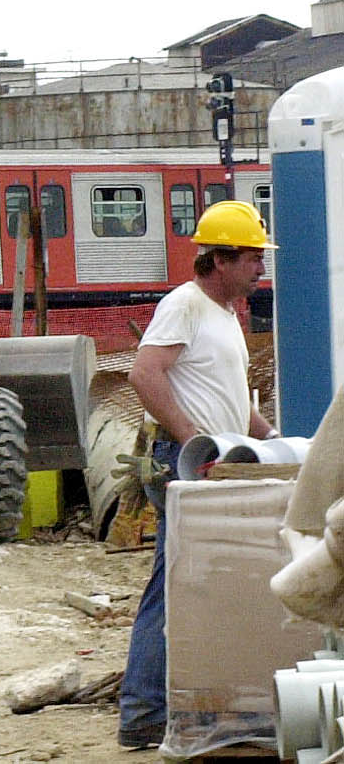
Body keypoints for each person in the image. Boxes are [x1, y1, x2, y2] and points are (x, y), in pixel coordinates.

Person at [117, 198, 277, 750]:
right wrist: (191, 439)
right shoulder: (184, 305)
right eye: (254, 258)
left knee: (197, 584)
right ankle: (143, 713)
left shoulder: (227, 313)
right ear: (222, 259)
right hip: (184, 463)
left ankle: (181, 706)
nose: (261, 268)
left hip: (214, 462)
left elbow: (229, 393)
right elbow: (145, 373)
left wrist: (266, 433)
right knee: (176, 586)